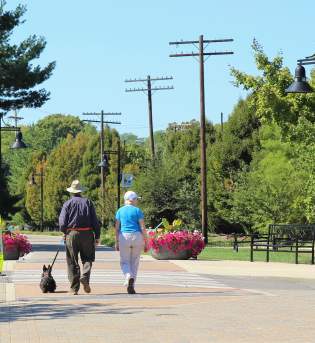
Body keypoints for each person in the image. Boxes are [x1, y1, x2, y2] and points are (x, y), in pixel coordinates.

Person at [59, 180, 100, 295]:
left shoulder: (67, 204)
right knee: (88, 258)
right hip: (87, 233)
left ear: (72, 192)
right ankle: (85, 277)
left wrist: (64, 232)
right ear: (81, 191)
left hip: (71, 234)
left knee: (72, 261)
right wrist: (97, 236)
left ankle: (74, 288)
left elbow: (62, 222)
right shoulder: (88, 202)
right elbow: (95, 221)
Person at [115, 191, 148, 294]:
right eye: (136, 199)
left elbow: (116, 228)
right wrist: (146, 241)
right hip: (137, 236)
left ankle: (128, 276)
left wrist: (116, 241)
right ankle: (132, 285)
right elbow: (142, 227)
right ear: (132, 199)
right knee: (135, 261)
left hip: (124, 236)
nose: (137, 201)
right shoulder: (138, 211)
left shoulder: (120, 211)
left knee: (124, 261)